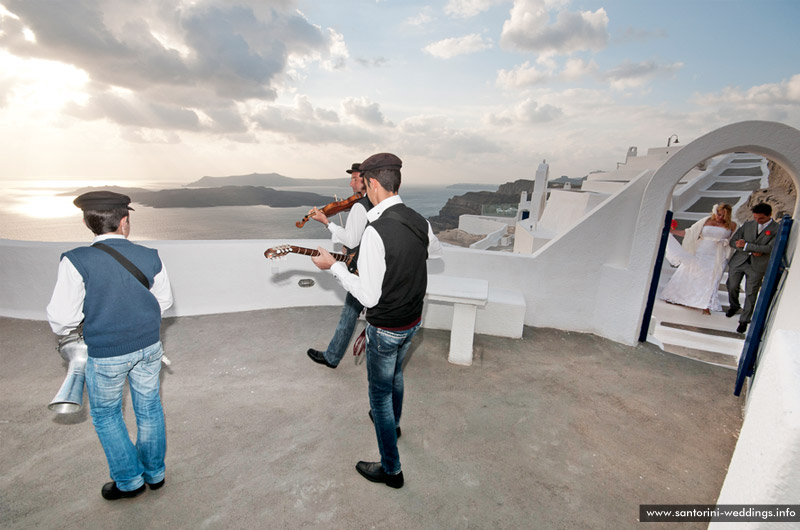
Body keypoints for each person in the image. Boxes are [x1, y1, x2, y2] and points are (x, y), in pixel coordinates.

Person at [311, 153, 443, 489]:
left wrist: (334, 267)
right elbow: (434, 252)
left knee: (379, 398)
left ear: (371, 183)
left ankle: (392, 470)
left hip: (385, 329)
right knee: (397, 375)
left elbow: (368, 297)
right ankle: (395, 425)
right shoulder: (419, 220)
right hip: (413, 321)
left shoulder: (375, 231)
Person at [46, 191, 173, 501]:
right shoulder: (151, 255)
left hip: (106, 353)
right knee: (150, 409)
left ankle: (130, 481)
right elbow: (164, 303)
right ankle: (155, 474)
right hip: (149, 346)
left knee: (106, 416)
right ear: (124, 221)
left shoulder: (76, 259)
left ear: (89, 223)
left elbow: (62, 318)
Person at [306, 163, 371, 368]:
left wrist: (327, 222)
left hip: (362, 269)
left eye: (355, 179)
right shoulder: (378, 203)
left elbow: (351, 240)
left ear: (367, 179)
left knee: (349, 314)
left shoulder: (361, 206)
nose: (351, 183)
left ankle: (332, 357)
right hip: (374, 264)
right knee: (367, 313)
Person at [660, 203, 736, 314]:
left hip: (718, 254)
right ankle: (678, 297)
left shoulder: (732, 225)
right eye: (718, 214)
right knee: (690, 272)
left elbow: (733, 240)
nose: (720, 217)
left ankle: (705, 304)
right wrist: (672, 231)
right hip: (700, 251)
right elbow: (689, 232)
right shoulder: (706, 220)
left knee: (712, 278)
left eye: (723, 215)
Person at [725, 203, 779, 334]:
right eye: (755, 217)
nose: (757, 221)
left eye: (760, 218)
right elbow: (733, 242)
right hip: (739, 262)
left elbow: (770, 248)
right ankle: (734, 305)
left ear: (769, 215)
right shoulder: (748, 225)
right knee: (732, 285)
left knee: (751, 293)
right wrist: (748, 248)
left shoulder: (777, 229)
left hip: (758, 266)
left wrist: (747, 245)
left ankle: (744, 320)